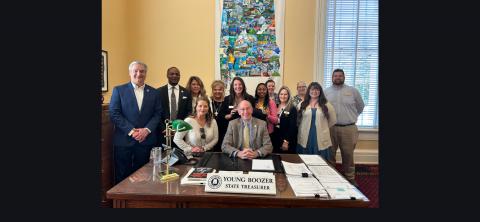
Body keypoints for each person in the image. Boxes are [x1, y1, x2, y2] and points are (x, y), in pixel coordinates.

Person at [109, 61, 163, 184]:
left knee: (145, 178)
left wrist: (146, 130)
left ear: (146, 73)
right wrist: (132, 131)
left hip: (146, 141)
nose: (139, 74)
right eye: (135, 71)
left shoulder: (154, 93)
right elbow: (114, 113)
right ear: (130, 73)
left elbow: (157, 114)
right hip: (124, 141)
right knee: (122, 176)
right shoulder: (119, 90)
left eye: (142, 71)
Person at [324, 68, 365, 187]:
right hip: (331, 128)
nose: (337, 77)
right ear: (332, 78)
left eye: (340, 76)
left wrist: (351, 117)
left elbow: (360, 106)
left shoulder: (353, 91)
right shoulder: (326, 92)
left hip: (349, 128)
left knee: (348, 155)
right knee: (330, 154)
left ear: (344, 77)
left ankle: (350, 177)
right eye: (335, 76)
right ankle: (331, 177)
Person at [297, 82, 336, 161]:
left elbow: (333, 120)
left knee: (320, 160)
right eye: (312, 89)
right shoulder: (302, 104)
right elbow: (298, 119)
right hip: (305, 136)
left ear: (320, 91)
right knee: (305, 159)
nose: (314, 92)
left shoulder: (326, 104)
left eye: (317, 90)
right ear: (309, 91)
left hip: (320, 135)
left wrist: (323, 127)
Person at [156, 67, 192, 147]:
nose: (174, 76)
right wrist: (163, 128)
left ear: (179, 76)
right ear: (167, 75)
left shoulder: (186, 92)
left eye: (177, 74)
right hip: (163, 132)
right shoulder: (158, 92)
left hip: (180, 133)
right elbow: (156, 113)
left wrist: (180, 128)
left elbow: (189, 112)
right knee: (165, 157)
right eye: (172, 74)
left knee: (180, 157)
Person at [271, 86, 297, 154]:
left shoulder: (292, 108)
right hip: (275, 138)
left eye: (285, 94)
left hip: (286, 139)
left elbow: (292, 127)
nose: (283, 96)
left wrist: (286, 141)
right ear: (278, 95)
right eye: (281, 94)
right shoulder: (276, 106)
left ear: (288, 95)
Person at [210, 80, 228, 152]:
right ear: (212, 90)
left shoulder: (227, 101)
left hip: (224, 131)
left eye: (220, 89)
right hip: (211, 130)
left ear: (223, 90)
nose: (217, 91)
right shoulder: (208, 100)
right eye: (215, 89)